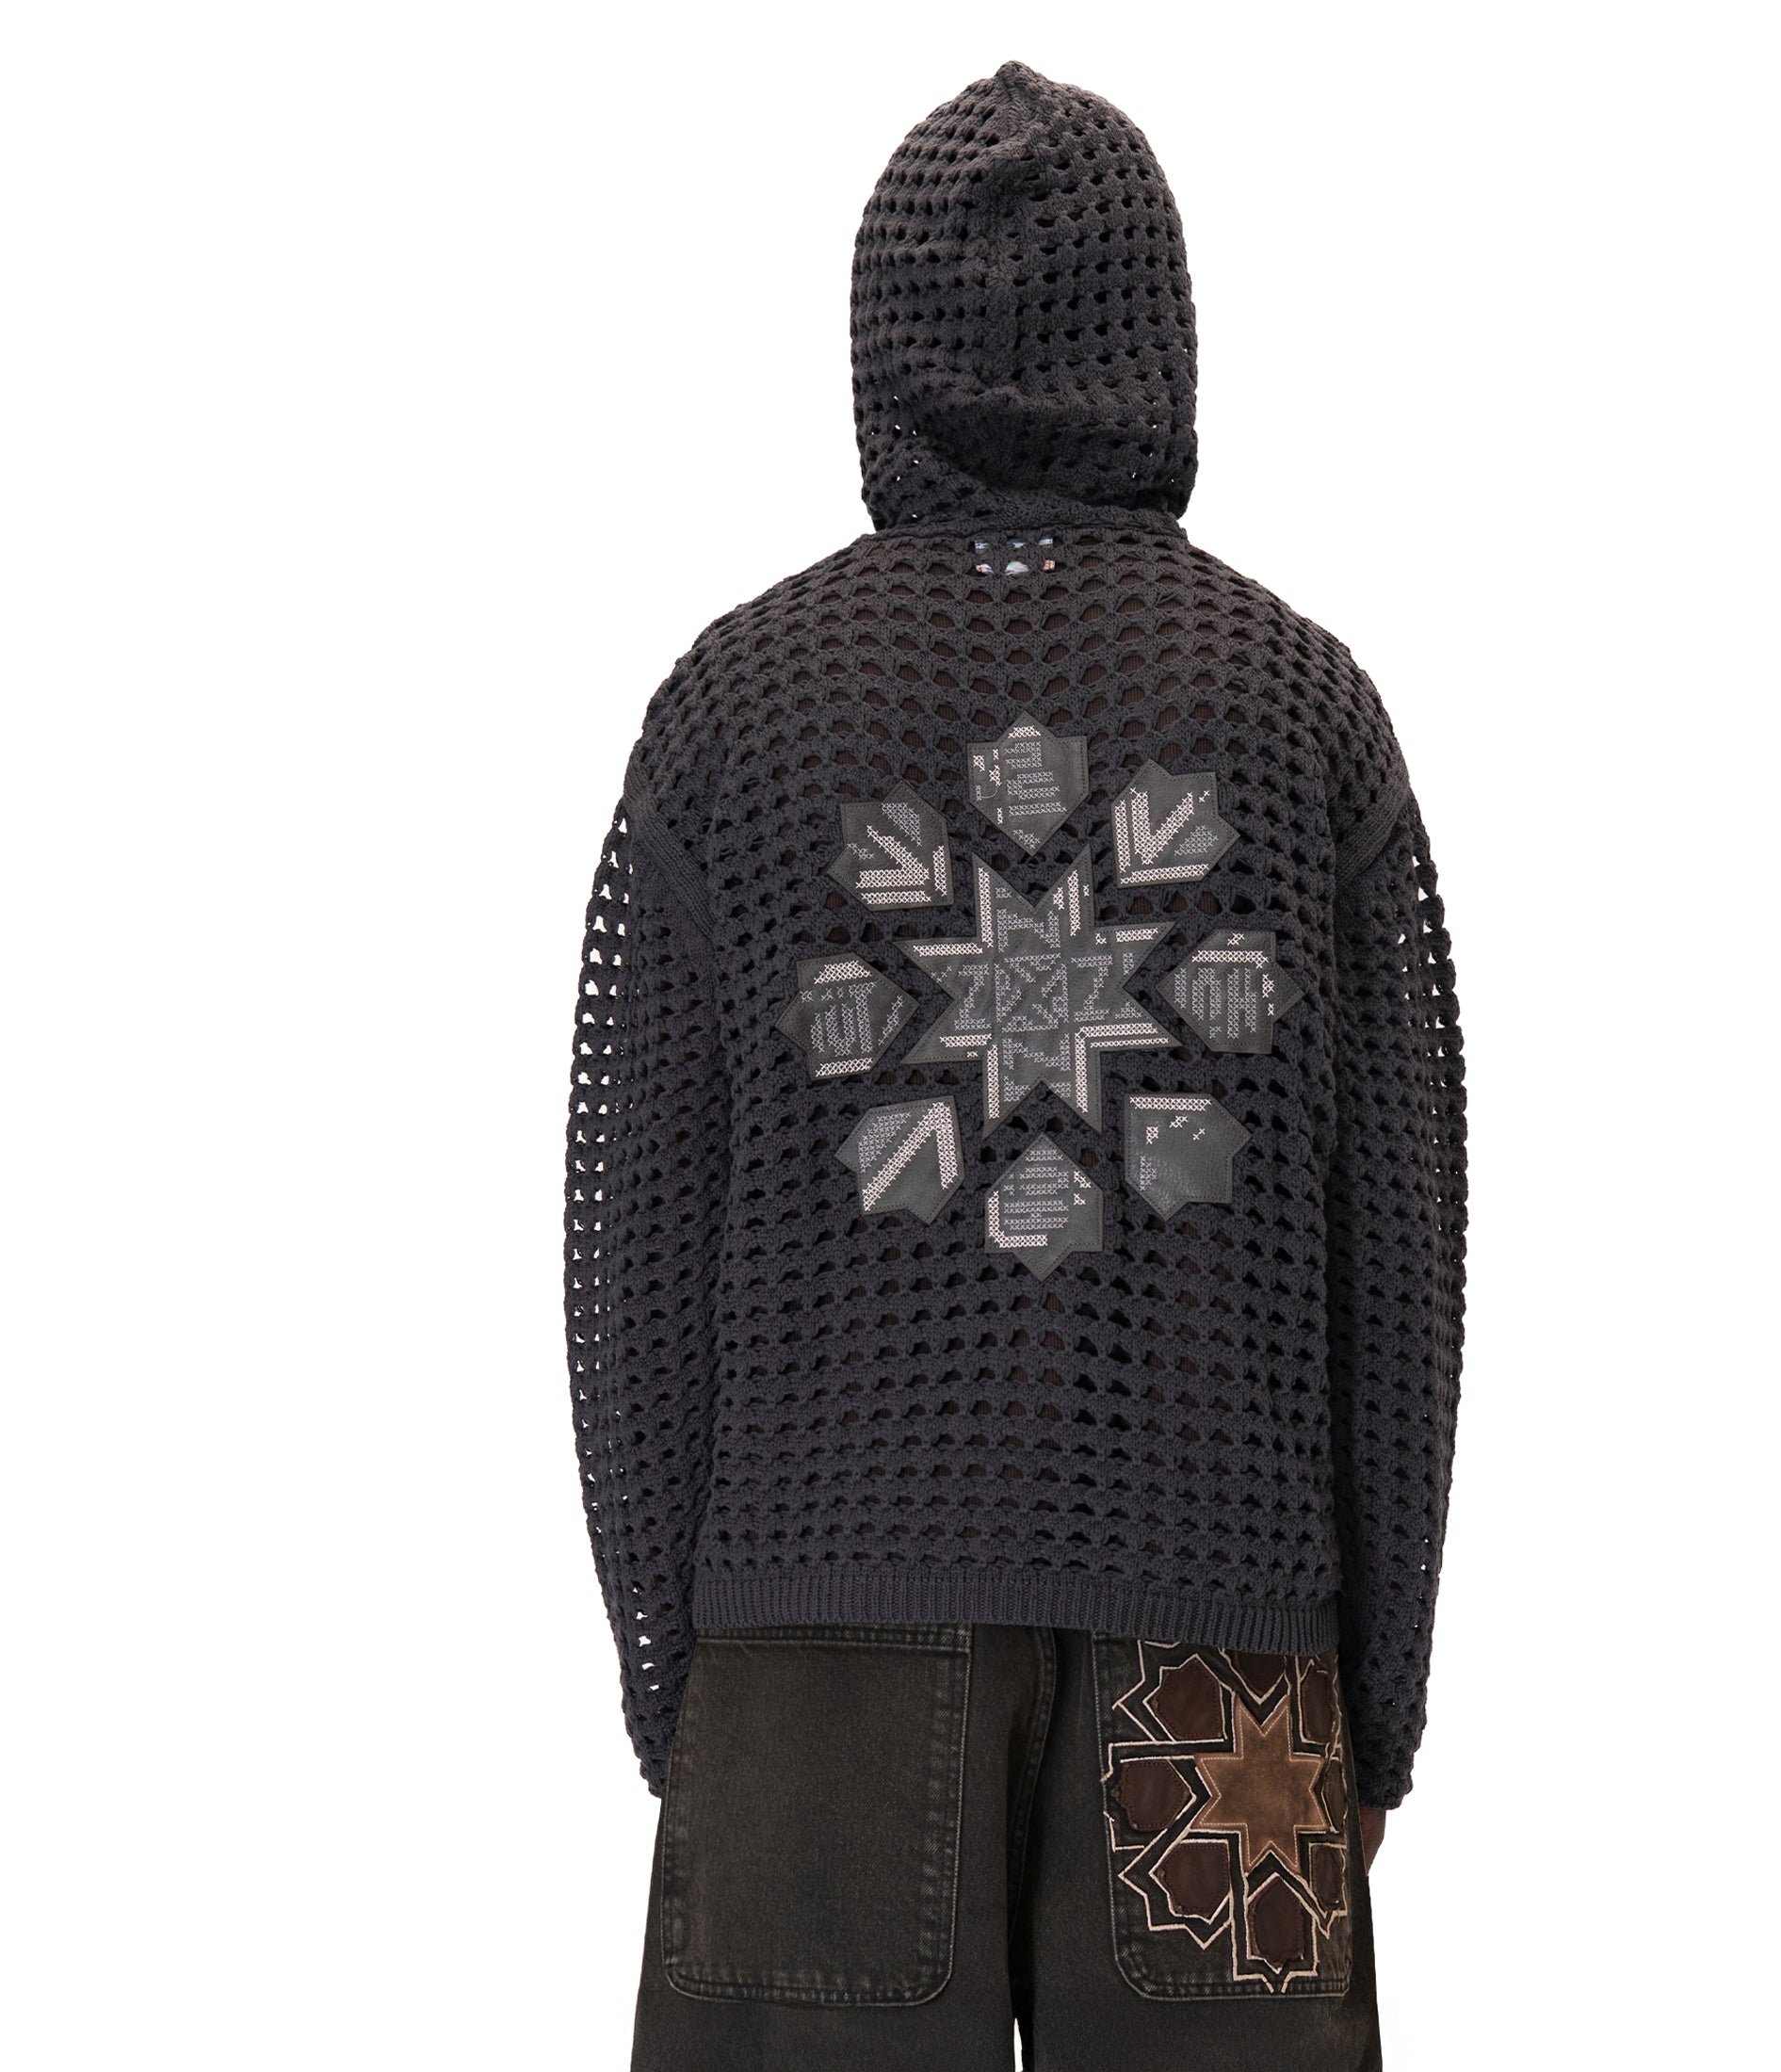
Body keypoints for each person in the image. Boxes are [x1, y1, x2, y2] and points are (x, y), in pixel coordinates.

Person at [564, 59, 1467, 2072]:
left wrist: (685, 1691)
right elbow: (1400, 1269)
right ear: (1163, 338)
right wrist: (1375, 1709)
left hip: (809, 1648)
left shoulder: (733, 710)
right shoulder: (1301, 710)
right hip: (1227, 1670)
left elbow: (630, 1269)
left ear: (875, 344)